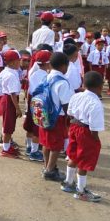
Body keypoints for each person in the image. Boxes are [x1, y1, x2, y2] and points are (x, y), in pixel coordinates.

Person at [60, 71, 105, 202]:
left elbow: (69, 113)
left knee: (73, 154)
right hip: (86, 132)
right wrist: (95, 140)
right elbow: (94, 128)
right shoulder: (95, 104)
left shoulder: (76, 96)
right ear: (100, 87)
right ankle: (80, 191)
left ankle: (68, 182)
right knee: (84, 161)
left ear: (83, 84)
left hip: (74, 127)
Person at [38, 52, 73, 182]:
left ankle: (47, 166)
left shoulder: (46, 77)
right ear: (64, 66)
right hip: (57, 117)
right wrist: (71, 118)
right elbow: (66, 104)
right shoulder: (62, 82)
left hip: (43, 114)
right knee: (56, 146)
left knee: (46, 143)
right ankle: (50, 171)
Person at [0, 50, 23, 158]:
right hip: (9, 100)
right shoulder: (11, 75)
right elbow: (13, 94)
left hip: (7, 99)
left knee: (9, 125)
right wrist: (17, 108)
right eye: (19, 61)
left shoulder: (10, 72)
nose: (20, 62)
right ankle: (5, 149)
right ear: (13, 62)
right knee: (8, 126)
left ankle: (7, 146)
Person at [23, 50, 50, 162]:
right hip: (39, 103)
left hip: (32, 100)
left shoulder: (34, 72)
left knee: (30, 125)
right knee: (37, 128)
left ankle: (29, 147)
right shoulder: (44, 75)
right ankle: (34, 152)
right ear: (47, 63)